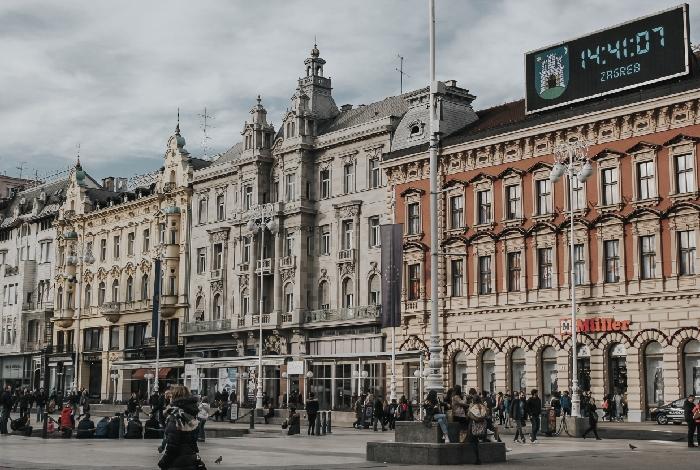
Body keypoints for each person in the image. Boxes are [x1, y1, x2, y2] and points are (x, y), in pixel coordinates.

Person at [158, 385, 202, 470]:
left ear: (175, 397)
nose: (169, 399)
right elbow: (193, 443)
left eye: (171, 396)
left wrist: (163, 462)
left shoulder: (176, 416)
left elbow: (172, 446)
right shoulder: (191, 414)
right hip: (190, 460)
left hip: (177, 463)